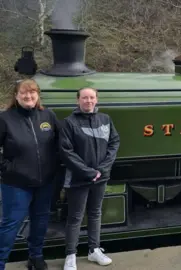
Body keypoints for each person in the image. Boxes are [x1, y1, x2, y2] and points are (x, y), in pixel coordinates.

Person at [0, 79, 61, 270]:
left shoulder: (48, 115)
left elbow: (61, 144)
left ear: (38, 95)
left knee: (40, 221)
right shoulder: (5, 118)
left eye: (32, 92)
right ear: (16, 96)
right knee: (11, 225)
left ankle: (36, 257)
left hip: (45, 182)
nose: (28, 96)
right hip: (16, 184)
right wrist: (7, 167)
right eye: (24, 93)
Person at [60, 87, 120, 270]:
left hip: (101, 176)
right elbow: (66, 151)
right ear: (78, 100)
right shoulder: (69, 123)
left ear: (97, 100)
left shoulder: (105, 119)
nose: (88, 101)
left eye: (91, 97)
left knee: (95, 213)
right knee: (75, 217)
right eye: (85, 98)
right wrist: (88, 172)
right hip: (78, 178)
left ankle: (94, 250)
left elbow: (114, 142)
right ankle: (70, 256)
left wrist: (102, 169)